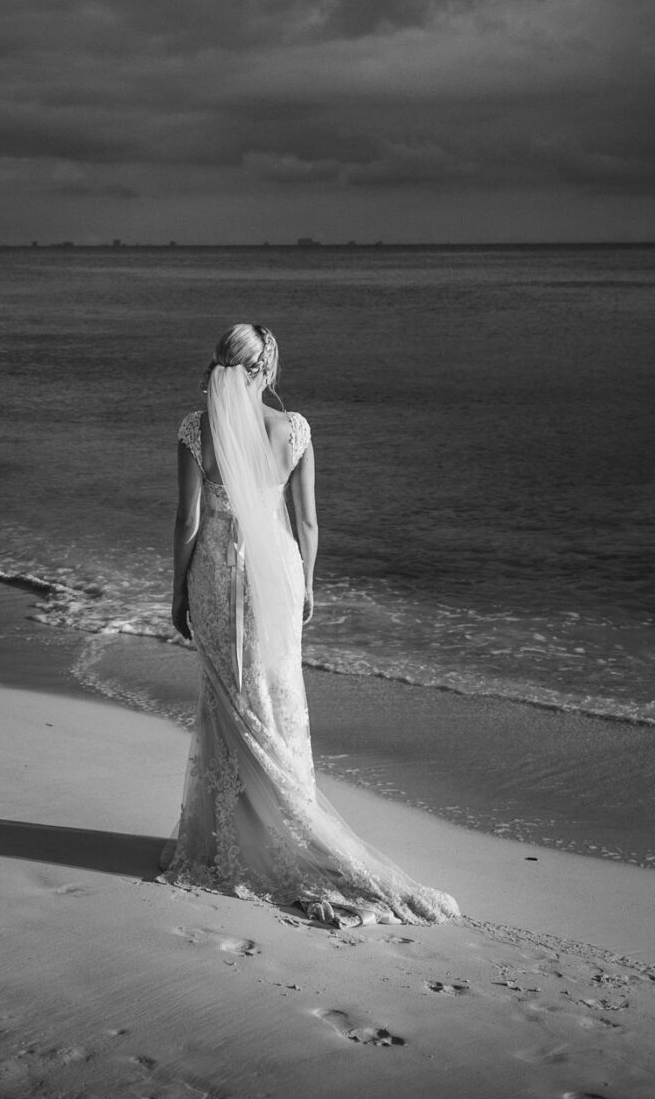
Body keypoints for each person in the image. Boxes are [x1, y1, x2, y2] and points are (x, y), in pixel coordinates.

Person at [161, 322, 458, 926]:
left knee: (229, 702)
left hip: (216, 576)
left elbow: (188, 522)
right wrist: (309, 584)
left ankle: (230, 842)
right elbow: (308, 523)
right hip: (276, 575)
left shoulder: (197, 429)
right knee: (274, 697)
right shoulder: (294, 429)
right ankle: (283, 832)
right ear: (264, 369)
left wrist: (177, 591)